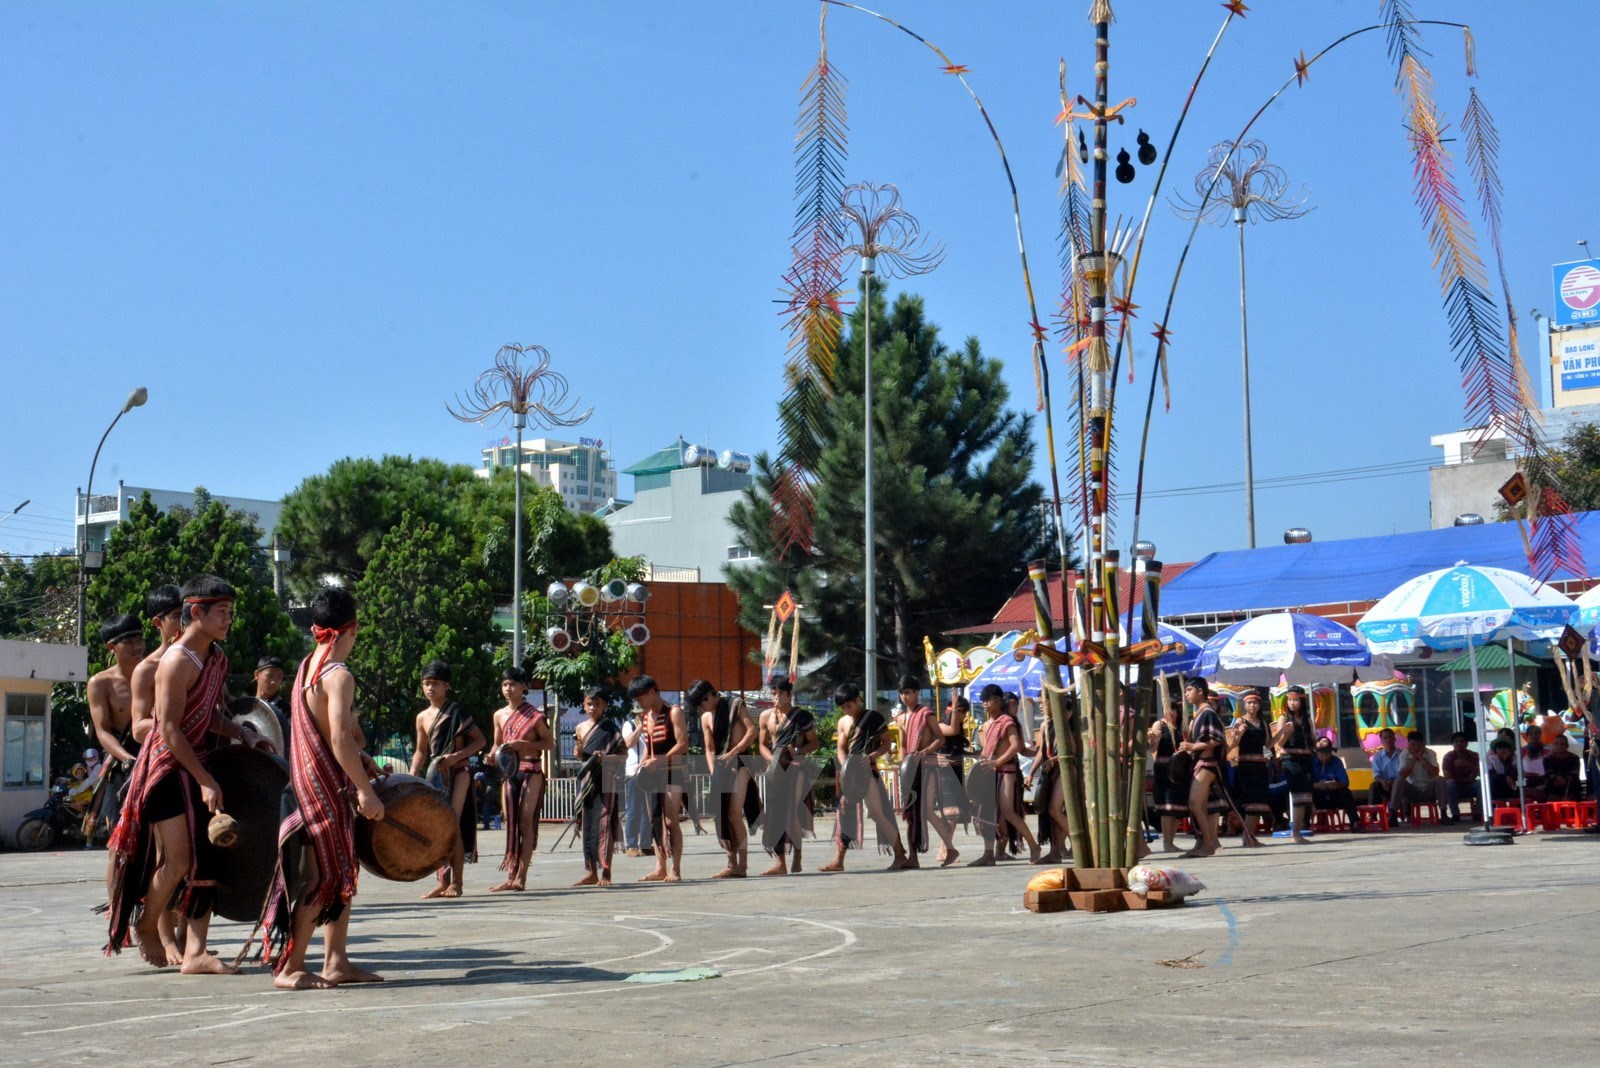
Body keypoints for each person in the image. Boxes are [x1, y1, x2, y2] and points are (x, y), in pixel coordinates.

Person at [106, 575, 266, 971]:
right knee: (176, 862)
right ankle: (145, 925)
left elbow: (208, 716)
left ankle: (195, 952)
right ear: (197, 612)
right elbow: (168, 730)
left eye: (231, 612)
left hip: (192, 764)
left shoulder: (215, 657)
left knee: (207, 859)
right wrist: (205, 780)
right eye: (223, 613)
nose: (229, 620)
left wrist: (244, 734)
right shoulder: (175, 662)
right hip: (164, 770)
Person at [259, 586, 386, 990]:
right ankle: (291, 967)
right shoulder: (339, 674)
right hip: (324, 791)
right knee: (323, 879)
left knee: (340, 876)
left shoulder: (305, 667)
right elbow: (339, 739)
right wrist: (365, 790)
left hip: (307, 785)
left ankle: (336, 960)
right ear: (353, 629)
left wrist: (358, 764)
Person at [410, 660, 487, 899]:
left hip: (459, 771)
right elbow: (421, 750)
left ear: (446, 686)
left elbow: (480, 741)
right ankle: (442, 880)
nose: (430, 688)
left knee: (450, 823)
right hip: (435, 772)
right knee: (437, 827)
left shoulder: (457, 712)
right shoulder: (422, 717)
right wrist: (413, 773)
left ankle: (458, 882)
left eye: (435, 684)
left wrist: (456, 756)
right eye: (426, 683)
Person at [820, 683, 909, 872]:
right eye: (843, 707)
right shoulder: (843, 722)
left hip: (868, 771)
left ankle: (900, 853)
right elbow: (841, 749)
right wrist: (846, 769)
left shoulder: (873, 718)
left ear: (858, 700)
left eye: (849, 706)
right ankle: (838, 860)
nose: (847, 710)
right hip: (849, 775)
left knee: (878, 813)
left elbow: (886, 743)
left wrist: (871, 756)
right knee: (844, 814)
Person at [488, 668, 551, 893]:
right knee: (511, 823)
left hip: (530, 771)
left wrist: (526, 745)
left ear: (524, 686)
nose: (508, 689)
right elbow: (497, 743)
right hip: (508, 773)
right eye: (505, 684)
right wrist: (490, 755)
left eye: (513, 684)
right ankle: (511, 875)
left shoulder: (534, 715)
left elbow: (549, 744)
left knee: (525, 822)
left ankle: (521, 877)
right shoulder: (499, 715)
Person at [85, 613, 146, 840]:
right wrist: (128, 760)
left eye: (139, 639)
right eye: (129, 642)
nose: (137, 646)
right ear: (112, 646)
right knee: (121, 840)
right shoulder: (100, 683)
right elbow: (102, 731)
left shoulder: (157, 673)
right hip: (124, 764)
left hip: (158, 755)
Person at [967, 683, 1040, 867]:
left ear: (998, 701)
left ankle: (1034, 847)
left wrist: (997, 762)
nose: (984, 704)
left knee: (1008, 812)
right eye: (983, 700)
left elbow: (1016, 746)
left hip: (1006, 771)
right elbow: (989, 750)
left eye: (988, 700)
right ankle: (989, 854)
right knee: (990, 815)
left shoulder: (1007, 721)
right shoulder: (988, 724)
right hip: (991, 774)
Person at [696, 681, 761, 879]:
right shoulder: (706, 717)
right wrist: (714, 769)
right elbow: (709, 748)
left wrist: (733, 753)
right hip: (721, 766)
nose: (702, 708)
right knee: (721, 814)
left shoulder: (735, 705)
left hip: (741, 761)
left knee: (734, 812)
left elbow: (752, 731)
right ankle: (731, 862)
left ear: (709, 696)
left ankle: (743, 864)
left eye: (702, 703)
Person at [894, 675, 958, 868]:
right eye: (902, 693)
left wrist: (925, 751)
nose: (905, 696)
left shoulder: (926, 714)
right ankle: (913, 857)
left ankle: (950, 848)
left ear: (916, 693)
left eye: (908, 692)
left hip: (928, 767)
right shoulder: (902, 719)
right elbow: (903, 747)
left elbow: (940, 738)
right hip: (910, 769)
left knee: (928, 811)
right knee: (909, 815)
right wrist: (902, 766)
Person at [757, 674, 818, 876]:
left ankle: (798, 855)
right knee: (775, 815)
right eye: (773, 692)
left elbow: (813, 743)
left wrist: (798, 751)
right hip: (776, 770)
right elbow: (762, 745)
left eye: (780, 693)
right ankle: (780, 861)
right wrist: (772, 762)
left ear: (789, 695)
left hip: (796, 767)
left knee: (792, 812)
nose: (776, 696)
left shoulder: (802, 717)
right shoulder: (765, 717)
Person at [630, 675, 688, 883]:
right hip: (653, 773)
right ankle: (659, 867)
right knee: (655, 819)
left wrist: (659, 761)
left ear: (653, 692)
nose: (639, 703)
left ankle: (676, 868)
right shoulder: (645, 717)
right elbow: (649, 748)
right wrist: (643, 762)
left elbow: (683, 745)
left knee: (671, 820)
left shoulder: (674, 712)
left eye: (641, 698)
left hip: (673, 771)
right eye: (636, 700)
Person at [572, 686, 626, 887]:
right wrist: (577, 753)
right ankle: (591, 871)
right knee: (588, 825)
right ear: (584, 705)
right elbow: (580, 756)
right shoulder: (580, 728)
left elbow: (623, 754)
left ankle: (606, 871)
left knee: (604, 825)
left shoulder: (611, 728)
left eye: (597, 703)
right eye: (589, 703)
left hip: (606, 779)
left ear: (604, 705)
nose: (592, 707)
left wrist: (606, 759)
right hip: (587, 781)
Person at [1176, 678, 1231, 858]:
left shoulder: (1208, 713)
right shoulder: (1199, 714)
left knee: (1195, 803)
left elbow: (1215, 740)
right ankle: (1204, 843)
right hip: (1200, 763)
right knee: (1197, 805)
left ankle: (1208, 844)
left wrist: (1192, 747)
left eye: (1189, 690)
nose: (1186, 694)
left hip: (1207, 765)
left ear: (1200, 691)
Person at [129, 585, 184, 746]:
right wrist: (177, 724)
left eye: (188, 614)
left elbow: (223, 704)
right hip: (168, 754)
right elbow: (138, 730)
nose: (184, 622)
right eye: (177, 616)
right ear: (157, 622)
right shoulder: (146, 670)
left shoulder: (207, 658)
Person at [1272, 684, 1316, 845]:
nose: (1292, 703)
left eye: (1295, 700)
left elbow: (1312, 742)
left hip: (1305, 759)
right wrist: (1286, 733)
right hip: (1290, 760)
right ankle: (1295, 832)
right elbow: (1278, 744)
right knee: (1297, 795)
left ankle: (1298, 830)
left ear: (1302, 702)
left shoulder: (1307, 720)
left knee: (1305, 797)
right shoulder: (1284, 718)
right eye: (1290, 700)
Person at [1227, 690, 1272, 843]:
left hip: (1260, 765)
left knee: (1258, 802)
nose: (1252, 705)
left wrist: (1283, 734)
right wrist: (1237, 735)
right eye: (1249, 703)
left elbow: (1269, 744)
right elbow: (1232, 745)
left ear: (1259, 705)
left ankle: (1249, 836)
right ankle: (1247, 836)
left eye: (1255, 703)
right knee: (1250, 801)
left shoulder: (1263, 722)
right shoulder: (1240, 721)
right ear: (1245, 705)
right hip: (1246, 766)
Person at [1148, 697, 1184, 852]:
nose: (1170, 712)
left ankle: (1171, 841)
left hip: (1178, 770)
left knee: (1177, 808)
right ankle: (1166, 843)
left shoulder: (1181, 727)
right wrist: (1154, 739)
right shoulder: (1159, 724)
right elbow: (1153, 750)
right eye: (1167, 709)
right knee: (1166, 807)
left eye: (1173, 709)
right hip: (1163, 769)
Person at [1391, 731, 1449, 823]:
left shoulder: (1430, 753)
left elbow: (1435, 773)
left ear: (1423, 744)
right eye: (1413, 745)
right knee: (1399, 781)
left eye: (1419, 745)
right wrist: (1414, 758)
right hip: (1412, 791)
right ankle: (1393, 815)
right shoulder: (1404, 754)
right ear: (1408, 744)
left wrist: (1422, 759)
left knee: (1440, 779)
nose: (1416, 747)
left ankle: (1444, 814)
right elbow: (1403, 774)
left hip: (1429, 791)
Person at [934, 694, 972, 828]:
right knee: (951, 813)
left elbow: (956, 749)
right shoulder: (940, 725)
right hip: (945, 773)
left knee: (956, 814)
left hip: (957, 771)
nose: (964, 716)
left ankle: (946, 848)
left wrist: (975, 754)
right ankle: (944, 848)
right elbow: (952, 730)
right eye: (963, 713)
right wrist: (954, 708)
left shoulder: (959, 728)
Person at [1308, 738, 1363, 829]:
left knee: (1346, 792)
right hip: (1316, 797)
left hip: (1333, 796)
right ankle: (1304, 825)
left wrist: (1336, 784)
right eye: (1321, 752)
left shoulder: (1336, 761)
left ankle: (1355, 822)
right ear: (1316, 752)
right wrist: (1317, 785)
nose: (1325, 755)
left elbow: (1345, 782)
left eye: (1327, 752)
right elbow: (1305, 784)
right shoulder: (1311, 763)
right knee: (1304, 795)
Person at [622, 706, 649, 856]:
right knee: (633, 809)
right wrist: (640, 728)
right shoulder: (629, 725)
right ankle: (631, 844)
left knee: (648, 811)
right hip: (633, 772)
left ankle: (645, 844)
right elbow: (628, 744)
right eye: (641, 713)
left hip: (649, 772)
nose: (644, 714)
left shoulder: (653, 724)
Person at [1441, 731, 1482, 822]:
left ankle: (1479, 812)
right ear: (1453, 744)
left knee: (1482, 784)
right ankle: (1455, 814)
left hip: (1471, 786)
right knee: (1449, 784)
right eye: (1456, 742)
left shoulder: (1474, 755)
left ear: (1467, 743)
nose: (1459, 744)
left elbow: (1480, 773)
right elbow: (1447, 775)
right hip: (1456, 786)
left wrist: (1468, 765)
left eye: (1462, 741)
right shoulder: (1448, 757)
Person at [252, 656, 290, 745]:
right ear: (256, 675)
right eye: (270, 676)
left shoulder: (285, 710)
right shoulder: (247, 706)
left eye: (279, 677)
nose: (274, 682)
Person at [1366, 728, 1403, 808]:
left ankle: (1402, 813)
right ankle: (1373, 814)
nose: (1388, 740)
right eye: (1385, 738)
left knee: (1402, 783)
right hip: (1384, 785)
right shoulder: (1377, 756)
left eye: (1390, 737)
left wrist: (1393, 782)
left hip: (1399, 785)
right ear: (1381, 740)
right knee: (1374, 786)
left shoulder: (1402, 755)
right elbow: (1376, 774)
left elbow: (1404, 773)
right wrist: (1383, 782)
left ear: (1394, 739)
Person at [1543, 734, 1582, 802]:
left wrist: (1564, 780)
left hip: (1570, 786)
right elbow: (1548, 773)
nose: (1559, 746)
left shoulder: (1574, 758)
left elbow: (1574, 774)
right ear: (1553, 745)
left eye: (1562, 744)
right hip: (1553, 786)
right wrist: (1556, 778)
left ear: (1567, 746)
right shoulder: (1548, 759)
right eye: (1556, 744)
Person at [1519, 727, 1548, 803]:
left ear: (1540, 735)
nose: (1534, 736)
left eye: (1536, 734)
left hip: (1543, 783)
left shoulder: (1547, 751)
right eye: (1531, 734)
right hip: (1526, 783)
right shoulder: (1520, 751)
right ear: (1527, 736)